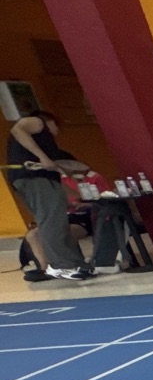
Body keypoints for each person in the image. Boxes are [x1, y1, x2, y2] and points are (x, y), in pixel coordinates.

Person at [6, 109, 92, 281]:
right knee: (52, 223)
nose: (57, 132)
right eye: (56, 127)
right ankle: (61, 265)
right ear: (50, 121)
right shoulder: (38, 122)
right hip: (34, 177)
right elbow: (18, 129)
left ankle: (75, 264)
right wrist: (43, 157)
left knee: (56, 222)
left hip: (36, 180)